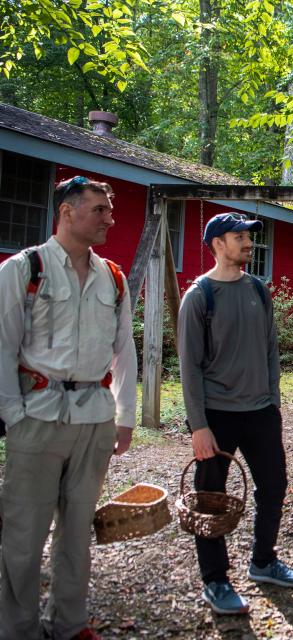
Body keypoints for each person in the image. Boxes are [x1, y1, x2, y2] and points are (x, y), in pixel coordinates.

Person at [0, 176, 137, 640]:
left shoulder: (114, 277)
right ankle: (17, 629)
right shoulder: (24, 269)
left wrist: (125, 417)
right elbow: (1, 348)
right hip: (36, 420)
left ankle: (68, 625)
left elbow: (125, 352)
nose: (109, 219)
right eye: (99, 209)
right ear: (67, 211)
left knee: (77, 532)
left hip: (94, 421)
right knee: (24, 535)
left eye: (109, 210)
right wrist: (14, 416)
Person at [178, 211, 293, 616]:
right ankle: (215, 581)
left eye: (249, 236)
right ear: (218, 244)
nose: (249, 243)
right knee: (209, 500)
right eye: (240, 237)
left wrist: (273, 402)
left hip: (261, 412)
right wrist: (198, 425)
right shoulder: (199, 296)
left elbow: (270, 350)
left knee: (274, 486)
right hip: (216, 415)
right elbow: (189, 368)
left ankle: (263, 561)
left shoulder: (258, 290)